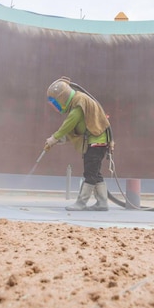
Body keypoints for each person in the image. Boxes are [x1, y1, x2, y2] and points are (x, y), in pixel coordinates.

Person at [44, 77, 111, 211]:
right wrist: (60, 139)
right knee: (95, 172)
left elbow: (69, 123)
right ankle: (102, 202)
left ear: (62, 98)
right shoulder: (78, 101)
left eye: (55, 102)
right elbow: (77, 128)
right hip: (96, 141)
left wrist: (54, 138)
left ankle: (81, 202)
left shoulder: (79, 103)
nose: (55, 105)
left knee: (90, 173)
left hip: (97, 141)